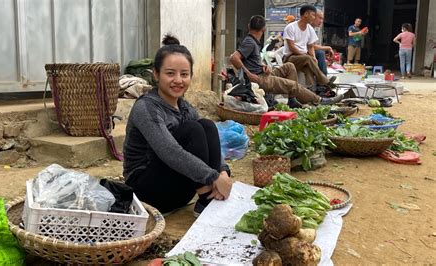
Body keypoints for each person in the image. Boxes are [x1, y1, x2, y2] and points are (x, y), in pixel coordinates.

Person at [123, 35, 233, 216]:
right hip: (147, 194)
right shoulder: (147, 107)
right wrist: (212, 177)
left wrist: (222, 173)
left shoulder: (185, 107)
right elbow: (168, 150)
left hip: (179, 192)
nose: (178, 80)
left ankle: (209, 198)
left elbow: (208, 144)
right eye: (170, 73)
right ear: (156, 75)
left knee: (207, 126)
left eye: (184, 74)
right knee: (193, 129)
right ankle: (207, 199)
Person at [229, 15, 343, 106]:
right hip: (259, 79)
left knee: (289, 66)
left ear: (249, 26)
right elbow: (233, 58)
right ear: (264, 29)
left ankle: (292, 100)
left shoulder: (253, 41)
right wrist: (248, 74)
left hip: (263, 73)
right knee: (293, 85)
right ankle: (320, 100)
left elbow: (251, 61)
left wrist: (264, 66)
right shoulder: (250, 42)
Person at [282, 5, 336, 87]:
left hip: (303, 58)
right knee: (308, 58)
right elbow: (292, 47)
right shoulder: (290, 27)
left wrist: (313, 58)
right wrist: (306, 56)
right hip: (290, 58)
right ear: (306, 14)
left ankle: (313, 93)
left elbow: (310, 46)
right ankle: (325, 81)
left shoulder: (310, 29)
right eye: (313, 15)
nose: (314, 18)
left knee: (309, 69)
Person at [311, 10, 334, 76]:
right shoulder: (308, 27)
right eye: (320, 18)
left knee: (320, 53)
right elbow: (312, 46)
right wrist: (328, 48)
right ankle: (323, 79)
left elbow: (313, 45)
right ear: (313, 17)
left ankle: (322, 78)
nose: (321, 21)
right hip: (300, 52)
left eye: (322, 19)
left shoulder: (312, 29)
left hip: (306, 50)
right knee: (320, 53)